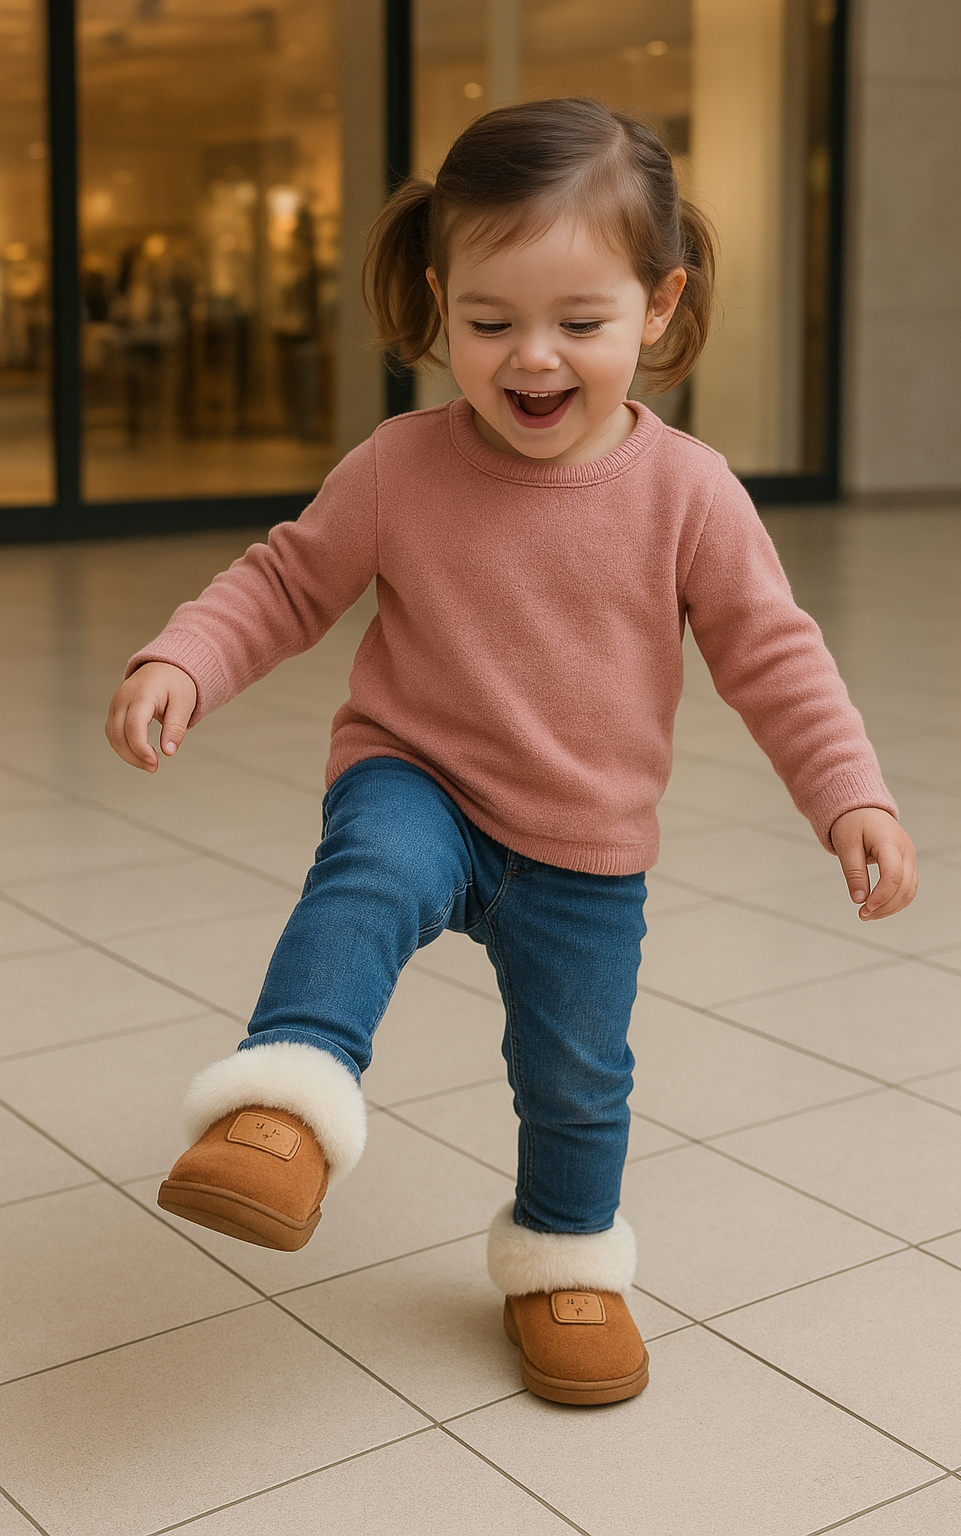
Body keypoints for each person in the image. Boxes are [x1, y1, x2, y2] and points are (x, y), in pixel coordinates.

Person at [105, 98, 918, 1407]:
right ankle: (285, 1102)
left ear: (660, 306)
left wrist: (850, 797)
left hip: (586, 840)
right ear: (437, 305)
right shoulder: (398, 467)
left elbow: (775, 657)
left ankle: (564, 1260)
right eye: (490, 324)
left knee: (580, 1075)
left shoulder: (690, 492)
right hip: (418, 772)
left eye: (579, 324)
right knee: (363, 882)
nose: (532, 360)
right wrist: (185, 656)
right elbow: (285, 584)